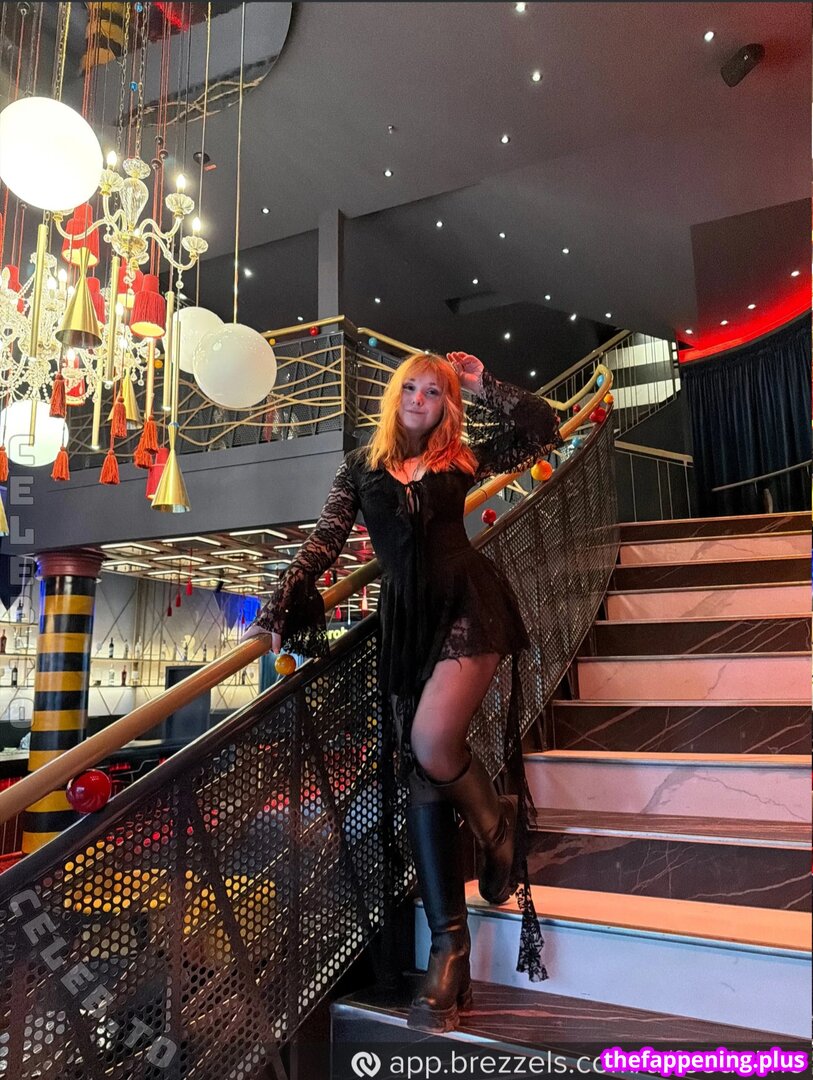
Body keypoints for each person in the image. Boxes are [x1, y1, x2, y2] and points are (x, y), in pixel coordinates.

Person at [245, 351, 563, 1032]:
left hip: (467, 605)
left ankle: (494, 826)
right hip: (405, 623)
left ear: (446, 405)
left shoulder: (462, 458)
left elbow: (541, 428)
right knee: (422, 772)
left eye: (435, 392)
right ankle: (450, 948)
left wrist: (482, 384)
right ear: (395, 397)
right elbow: (325, 541)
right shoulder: (360, 467)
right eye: (411, 388)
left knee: (431, 741)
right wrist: (282, 600)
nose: (420, 399)